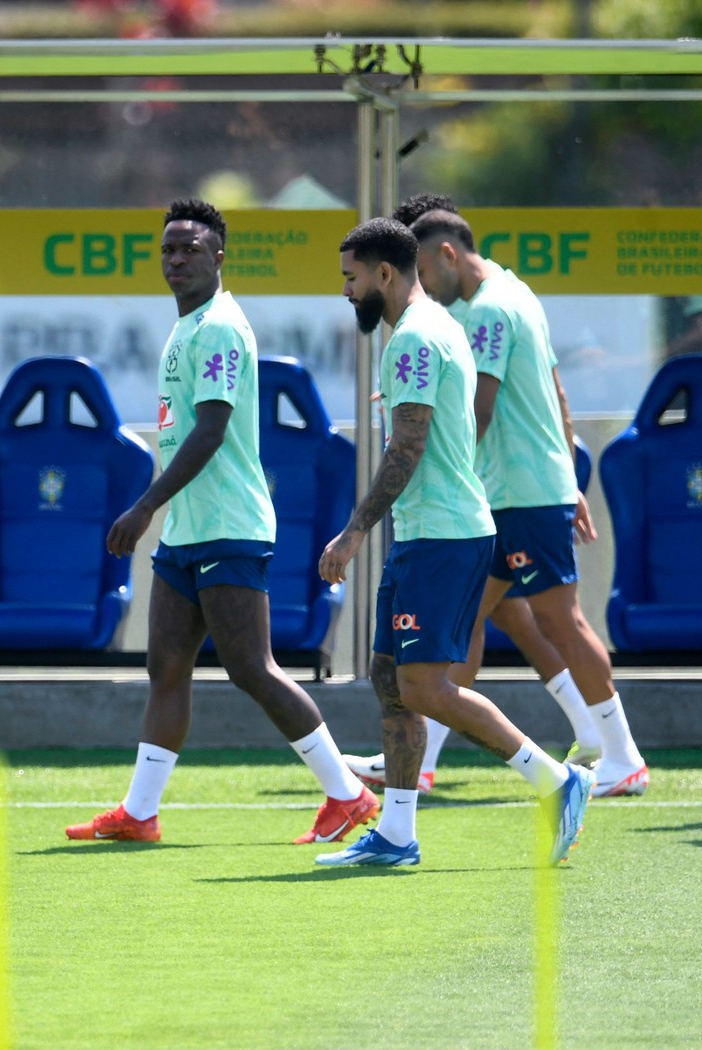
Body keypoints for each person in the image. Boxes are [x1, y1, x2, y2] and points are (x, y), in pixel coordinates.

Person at [65, 199, 378, 845]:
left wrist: (145, 503)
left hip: (228, 523)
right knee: (167, 666)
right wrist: (164, 511)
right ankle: (140, 812)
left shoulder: (221, 327)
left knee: (251, 668)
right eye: (169, 249)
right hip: (188, 528)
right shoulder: (187, 326)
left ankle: (348, 793)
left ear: (219, 256)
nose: (177, 259)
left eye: (191, 249)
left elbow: (210, 431)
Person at [315, 218, 593, 868]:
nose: (347, 293)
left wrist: (355, 529)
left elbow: (407, 446)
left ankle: (558, 780)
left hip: (441, 533)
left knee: (425, 685)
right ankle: (397, 834)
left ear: (384, 274)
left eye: (351, 279)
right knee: (390, 677)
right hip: (430, 529)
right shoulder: (435, 327)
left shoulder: (414, 338)